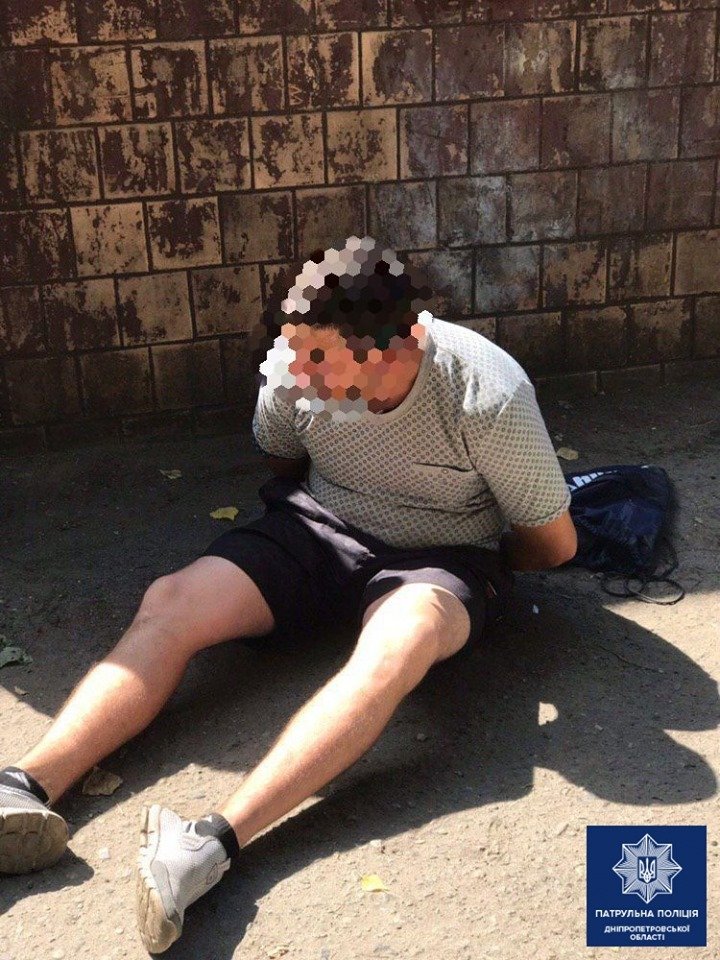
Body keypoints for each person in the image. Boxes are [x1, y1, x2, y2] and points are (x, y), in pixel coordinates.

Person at [0, 236, 577, 953]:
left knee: (399, 644)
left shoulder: (486, 392)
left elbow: (553, 544)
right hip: (318, 527)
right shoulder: (293, 365)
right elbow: (281, 456)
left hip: (441, 554)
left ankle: (206, 844)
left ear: (399, 345)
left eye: (324, 364)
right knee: (173, 600)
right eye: (298, 356)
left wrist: (476, 576)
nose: (301, 378)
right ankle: (24, 785)